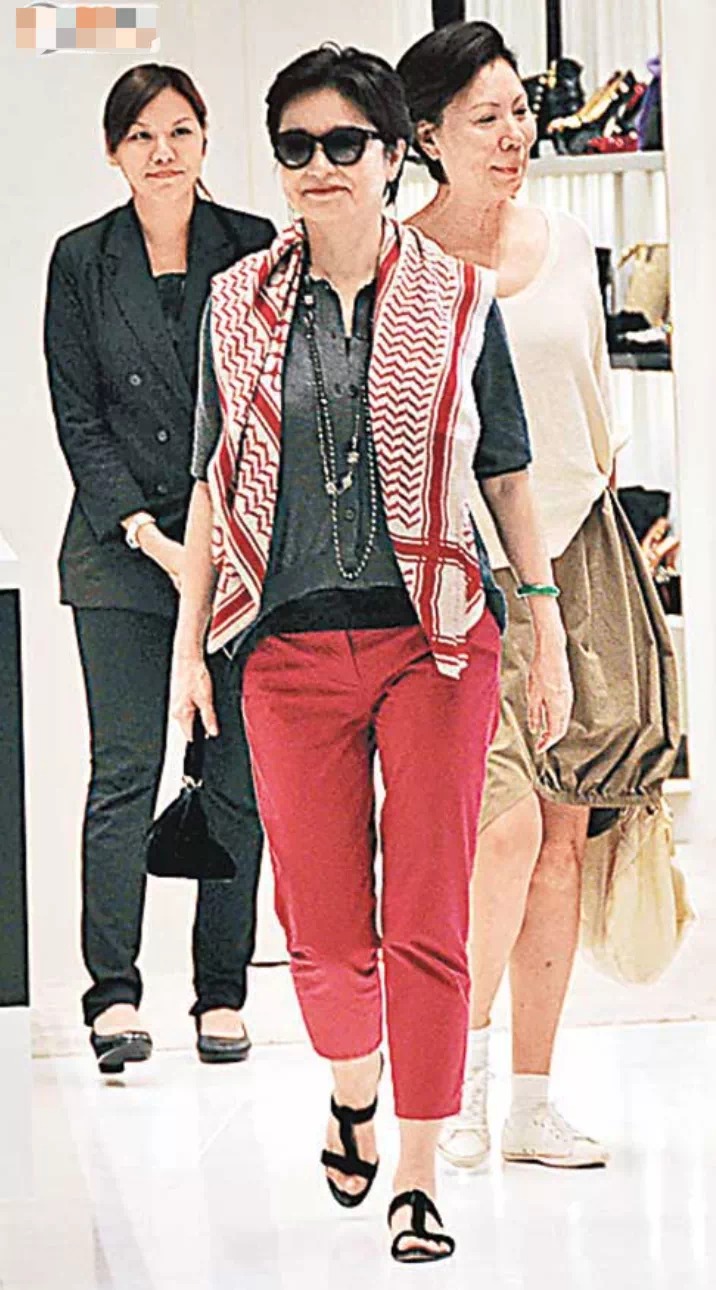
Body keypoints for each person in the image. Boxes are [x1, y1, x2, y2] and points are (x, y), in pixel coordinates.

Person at [170, 43, 571, 1263]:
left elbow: (504, 469)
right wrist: (188, 649)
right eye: (295, 145)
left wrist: (543, 623)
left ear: (393, 155)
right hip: (284, 648)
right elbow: (209, 482)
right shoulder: (235, 305)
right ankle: (352, 1086)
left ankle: (417, 1171)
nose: (319, 165)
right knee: (324, 932)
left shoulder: (456, 299)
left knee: (429, 912)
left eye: (344, 142)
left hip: (433, 639)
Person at [398, 21, 679, 1171]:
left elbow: (586, 402)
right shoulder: (403, 266)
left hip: (577, 557)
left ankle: (528, 1099)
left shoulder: (564, 242)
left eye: (518, 110)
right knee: (497, 833)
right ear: (428, 136)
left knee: (562, 834)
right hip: (460, 578)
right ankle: (452, 1092)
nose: (512, 134)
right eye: (485, 117)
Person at [44, 64, 275, 1074]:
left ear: (205, 139)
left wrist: (220, 542)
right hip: (120, 552)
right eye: (140, 135)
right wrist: (150, 534)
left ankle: (221, 993)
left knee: (235, 778)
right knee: (126, 771)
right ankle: (114, 995)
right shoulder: (80, 260)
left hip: (240, 551)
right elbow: (78, 416)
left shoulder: (255, 247)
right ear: (113, 151)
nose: (162, 151)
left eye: (179, 130)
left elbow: (272, 404)